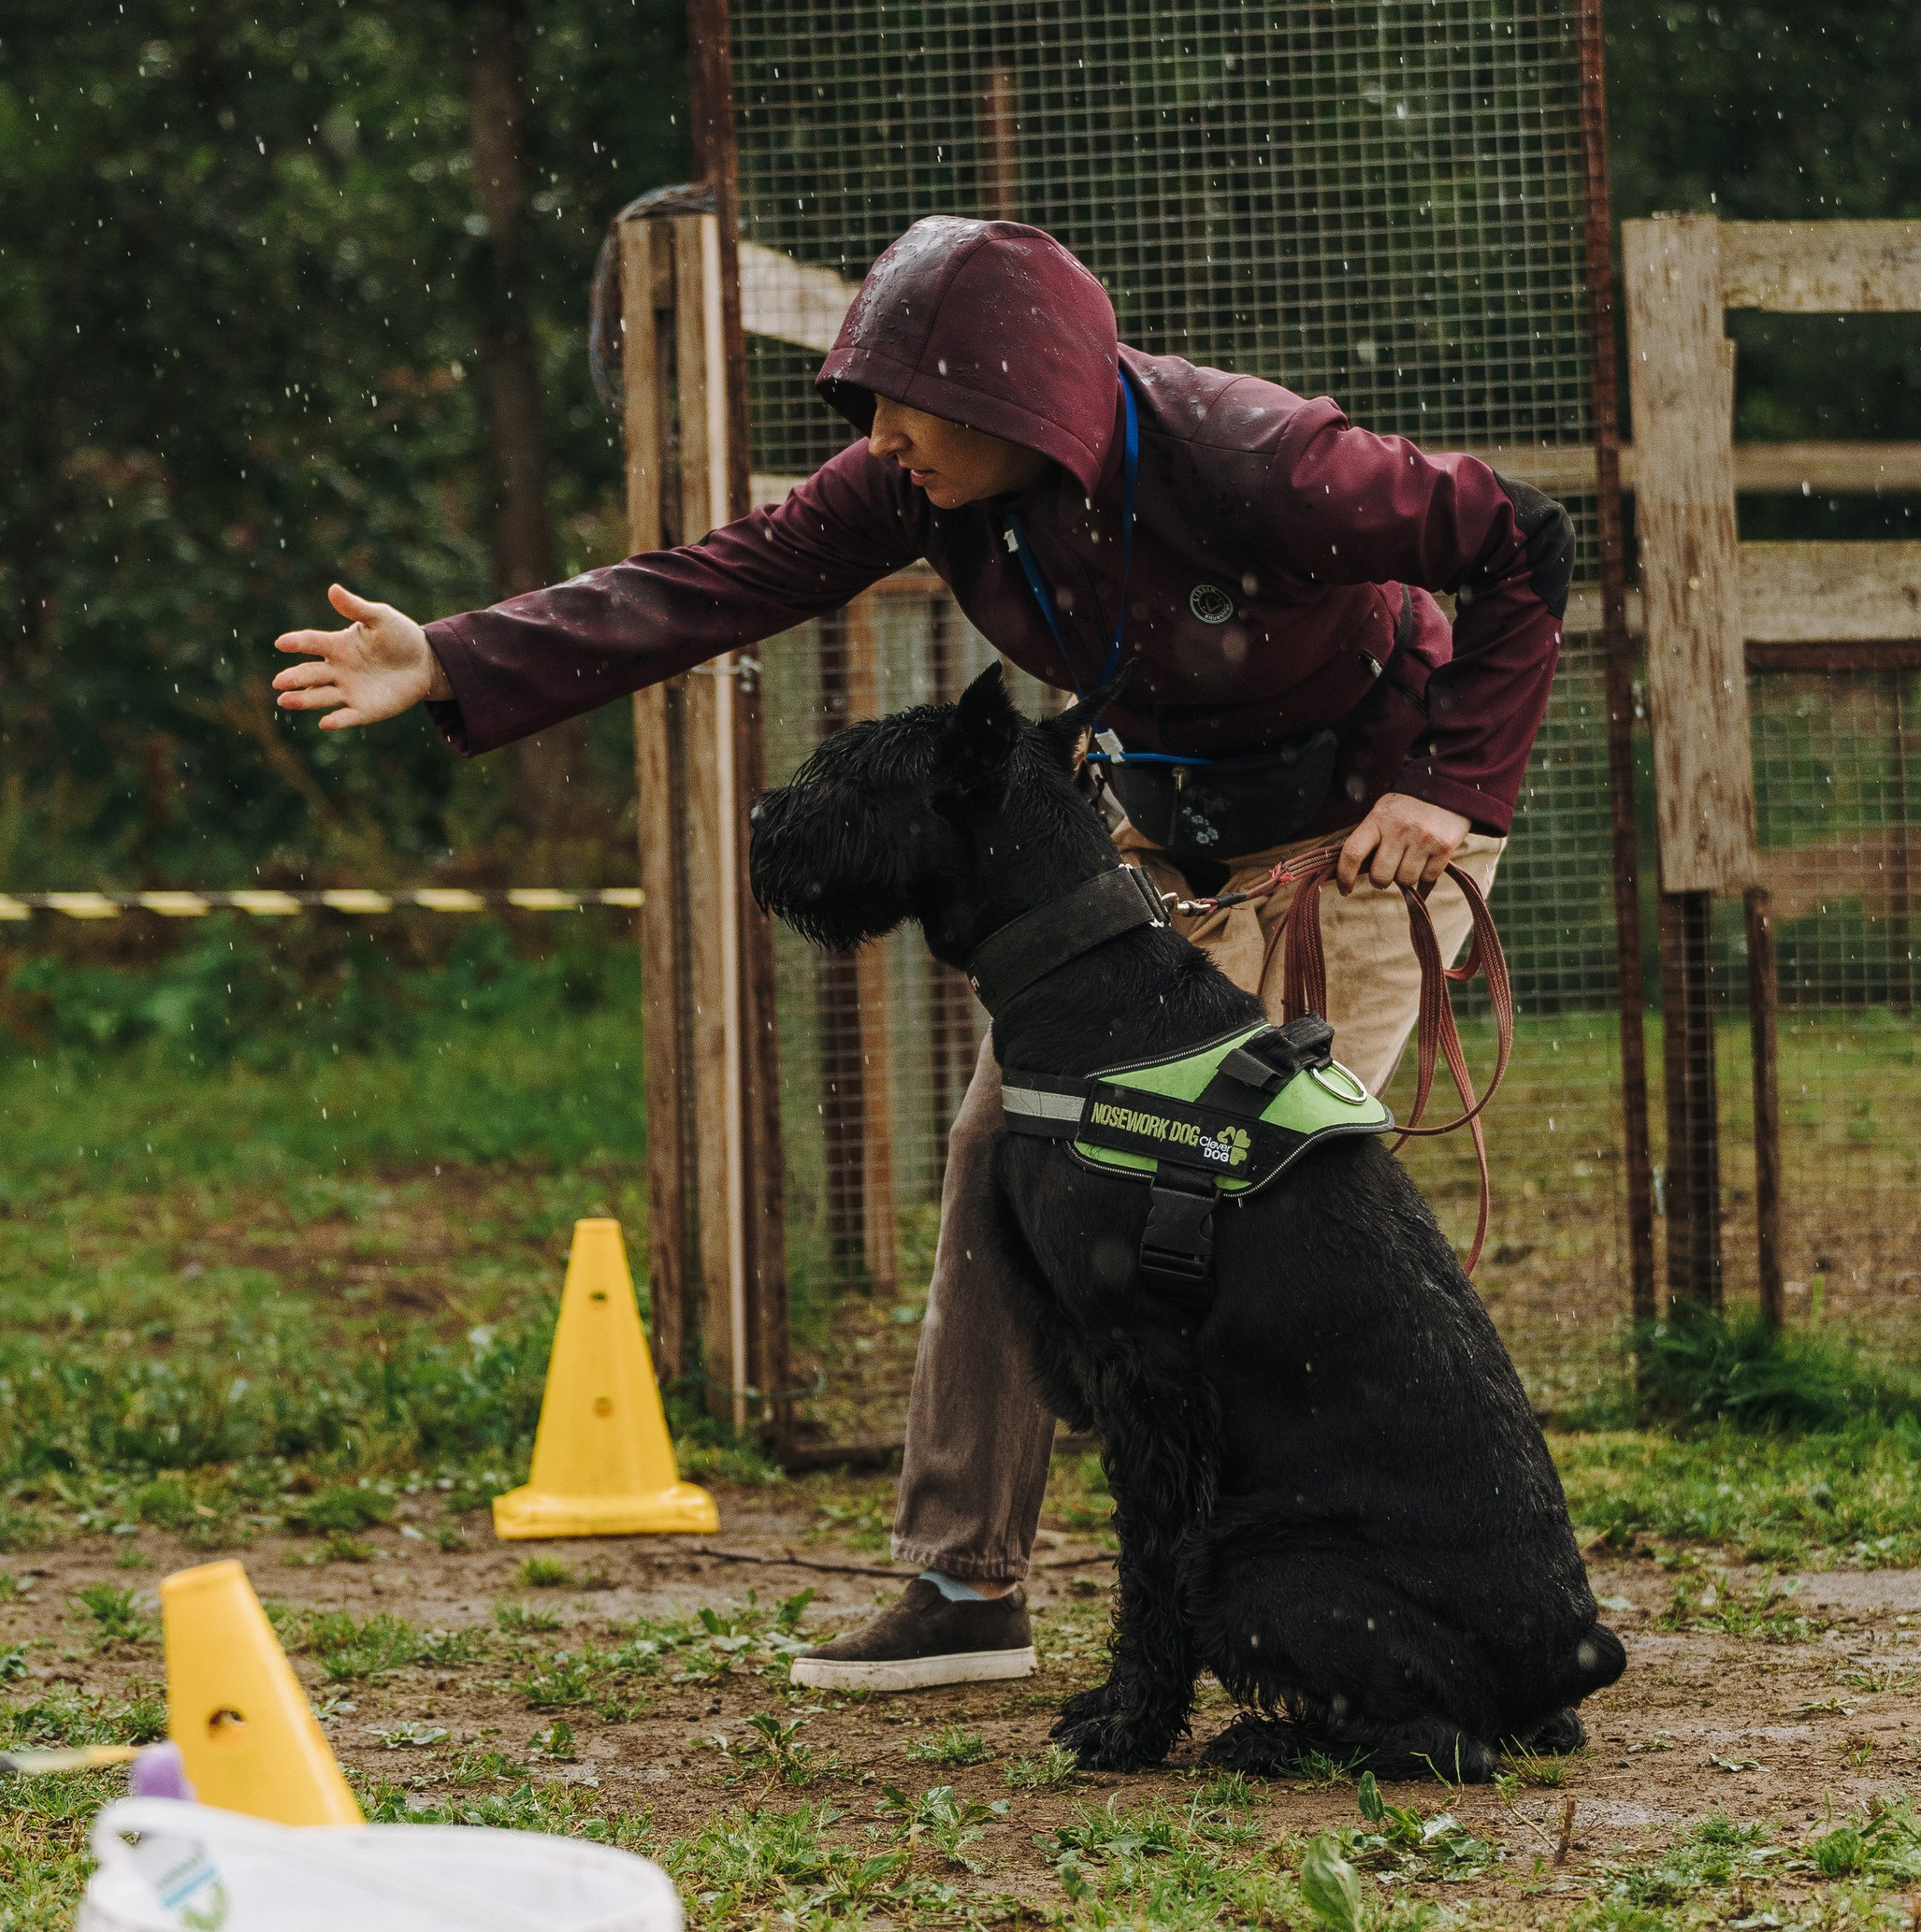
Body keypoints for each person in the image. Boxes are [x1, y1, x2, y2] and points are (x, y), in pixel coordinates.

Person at [275, 216, 1572, 1694]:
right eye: (868, 408)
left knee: (1268, 1194)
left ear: (1023, 402)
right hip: (1162, 831)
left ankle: (1392, 1590)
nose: (879, 438)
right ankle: (966, 1583)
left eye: (903, 405)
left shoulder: (1264, 460)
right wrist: (454, 655)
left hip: (1366, 831)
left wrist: (1452, 787)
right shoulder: (924, 483)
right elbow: (724, 575)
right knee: (1002, 1148)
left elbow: (1524, 541)